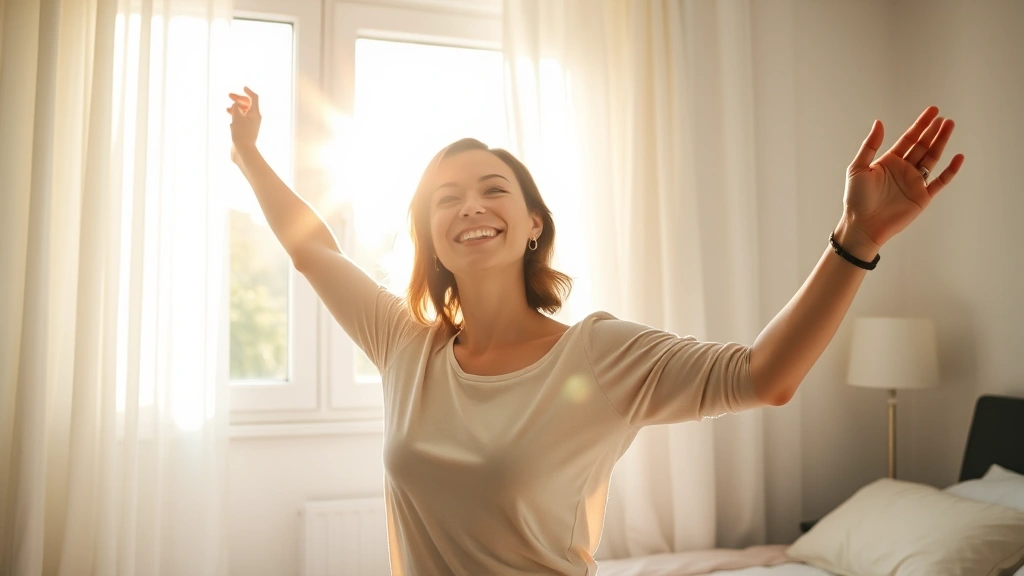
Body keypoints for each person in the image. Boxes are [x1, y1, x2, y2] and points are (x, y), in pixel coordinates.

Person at [226, 86, 963, 575]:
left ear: (532, 224)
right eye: (446, 199)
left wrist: (855, 237)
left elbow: (764, 376)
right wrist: (252, 155)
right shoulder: (404, 345)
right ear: (431, 236)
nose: (471, 205)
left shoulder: (599, 354)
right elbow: (312, 247)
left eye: (493, 189)